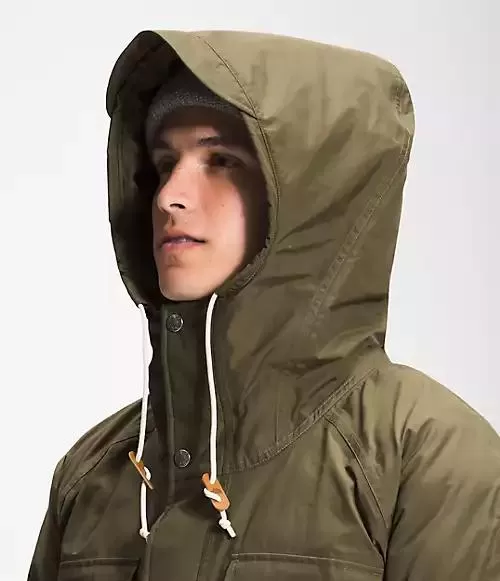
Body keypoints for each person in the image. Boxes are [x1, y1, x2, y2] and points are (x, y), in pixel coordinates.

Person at [28, 29, 500, 581]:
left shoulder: (427, 460)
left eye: (221, 160)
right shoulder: (91, 475)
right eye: (163, 164)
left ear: (315, 194)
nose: (169, 196)